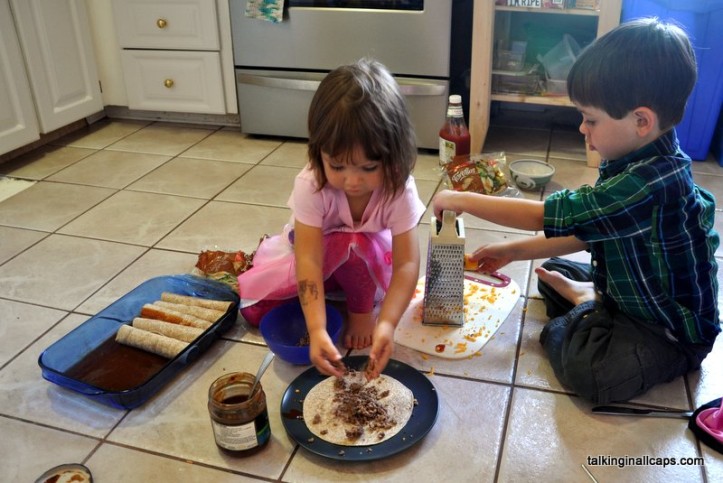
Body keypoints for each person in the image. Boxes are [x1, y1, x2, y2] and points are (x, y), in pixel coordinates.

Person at [432, 18, 720, 404]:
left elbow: (547, 215)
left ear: (641, 121)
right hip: (634, 290)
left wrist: (461, 199)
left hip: (667, 333)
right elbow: (588, 228)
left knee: (591, 374)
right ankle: (592, 298)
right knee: (551, 274)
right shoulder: (635, 157)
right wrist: (512, 252)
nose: (582, 129)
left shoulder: (652, 185)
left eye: (591, 119)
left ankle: (589, 306)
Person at [237, 58, 425, 379]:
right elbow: (308, 257)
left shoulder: (398, 188)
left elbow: (407, 263)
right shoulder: (311, 183)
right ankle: (330, 303)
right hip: (313, 258)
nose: (352, 181)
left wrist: (387, 323)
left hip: (367, 263)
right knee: (254, 311)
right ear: (318, 151)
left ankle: (359, 308)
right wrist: (317, 328)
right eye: (337, 166)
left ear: (394, 156)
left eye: (368, 168)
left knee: (351, 243)